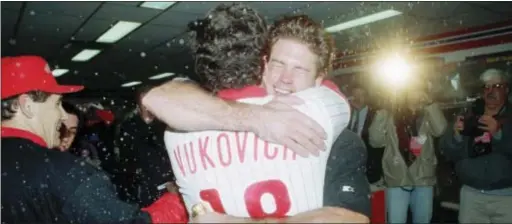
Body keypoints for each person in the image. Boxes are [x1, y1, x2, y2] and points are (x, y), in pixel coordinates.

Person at [145, 3, 369, 222]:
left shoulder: (339, 139)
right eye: (278, 64)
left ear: (320, 80)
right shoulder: (211, 117)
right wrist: (256, 117)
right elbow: (158, 98)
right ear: (263, 65)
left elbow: (351, 218)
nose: (285, 78)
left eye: (299, 69)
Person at [0, 55, 188, 223]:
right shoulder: (64, 173)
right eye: (57, 104)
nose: (63, 116)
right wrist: (177, 202)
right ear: (27, 106)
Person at [440, 68, 512, 223]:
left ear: (506, 89)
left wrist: (499, 134)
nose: (490, 91)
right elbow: (446, 151)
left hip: (509, 198)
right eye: (486, 87)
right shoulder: (468, 115)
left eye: (496, 86)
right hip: (471, 197)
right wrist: (456, 136)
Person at [368, 88, 447, 224]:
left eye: (416, 88)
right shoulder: (390, 113)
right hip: (397, 176)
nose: (413, 93)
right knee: (396, 220)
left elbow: (440, 130)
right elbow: (375, 142)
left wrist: (430, 103)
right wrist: (382, 111)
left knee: (423, 220)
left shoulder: (428, 111)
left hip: (423, 176)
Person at [114, 85, 174, 207]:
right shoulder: (129, 127)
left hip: (166, 182)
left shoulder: (164, 125)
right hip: (143, 185)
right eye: (145, 102)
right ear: (138, 105)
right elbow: (127, 159)